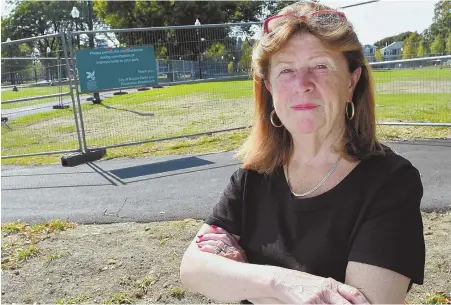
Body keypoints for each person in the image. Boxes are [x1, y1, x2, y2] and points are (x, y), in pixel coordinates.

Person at [180, 1, 425, 304]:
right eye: (285, 70)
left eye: (320, 66)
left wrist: (240, 281)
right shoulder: (253, 178)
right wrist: (280, 283)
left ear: (352, 80)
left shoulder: (390, 183)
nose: (302, 84)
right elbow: (193, 267)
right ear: (268, 87)